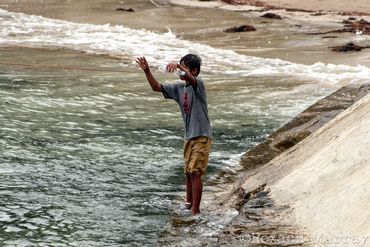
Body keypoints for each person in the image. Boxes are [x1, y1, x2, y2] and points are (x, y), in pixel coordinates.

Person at [136, 54, 212, 215]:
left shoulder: (198, 85)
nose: (180, 72)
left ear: (194, 71)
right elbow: (156, 87)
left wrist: (178, 65)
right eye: (180, 68)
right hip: (189, 137)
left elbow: (189, 78)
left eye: (185, 68)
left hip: (201, 136)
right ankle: (188, 204)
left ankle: (196, 212)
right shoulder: (179, 88)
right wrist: (147, 71)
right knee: (188, 172)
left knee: (195, 172)